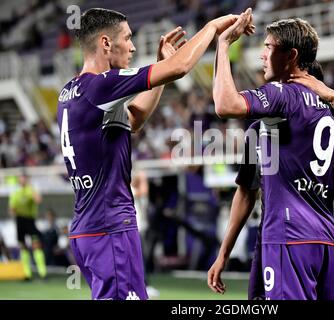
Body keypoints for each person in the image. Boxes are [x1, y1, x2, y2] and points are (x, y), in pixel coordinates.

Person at [57, 8, 254, 300]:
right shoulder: (101, 86)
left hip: (87, 229)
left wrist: (160, 67)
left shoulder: (71, 91)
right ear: (106, 44)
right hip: (110, 226)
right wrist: (211, 28)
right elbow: (182, 66)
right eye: (128, 38)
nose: (134, 46)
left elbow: (133, 120)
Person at [209, 11, 334, 299]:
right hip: (325, 240)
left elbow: (226, 105)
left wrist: (223, 44)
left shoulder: (281, 95)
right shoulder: (329, 110)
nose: (262, 55)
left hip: (286, 236)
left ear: (291, 55)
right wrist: (322, 190)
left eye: (268, 47)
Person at [8, 173, 46, 280]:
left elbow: (38, 200)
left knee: (36, 245)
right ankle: (27, 274)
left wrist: (31, 188)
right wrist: (14, 214)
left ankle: (42, 272)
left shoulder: (30, 190)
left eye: (24, 178)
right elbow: (11, 207)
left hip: (30, 220)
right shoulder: (16, 193)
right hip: (20, 221)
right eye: (21, 178)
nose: (23, 180)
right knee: (23, 247)